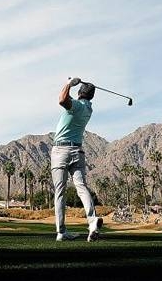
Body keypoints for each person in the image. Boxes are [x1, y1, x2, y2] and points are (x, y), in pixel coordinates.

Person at [50, 77, 103, 242]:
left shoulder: (78, 106)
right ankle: (92, 220)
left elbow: (62, 100)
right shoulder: (88, 108)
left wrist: (68, 84)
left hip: (61, 151)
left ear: (80, 92)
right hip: (78, 151)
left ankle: (61, 231)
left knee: (60, 192)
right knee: (81, 187)